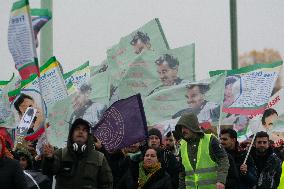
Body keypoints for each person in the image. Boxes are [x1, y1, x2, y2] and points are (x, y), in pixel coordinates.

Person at [42, 118, 113, 189]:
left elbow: (107, 184)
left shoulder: (99, 158)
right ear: (71, 134)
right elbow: (48, 171)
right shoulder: (60, 154)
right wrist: (49, 159)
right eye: (77, 129)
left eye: (84, 130)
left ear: (88, 135)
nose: (81, 132)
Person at [175, 113, 229, 189]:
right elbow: (182, 172)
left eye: (185, 127)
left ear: (193, 126)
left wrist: (221, 181)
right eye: (181, 128)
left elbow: (223, 160)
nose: (183, 130)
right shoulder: (182, 145)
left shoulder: (210, 140)